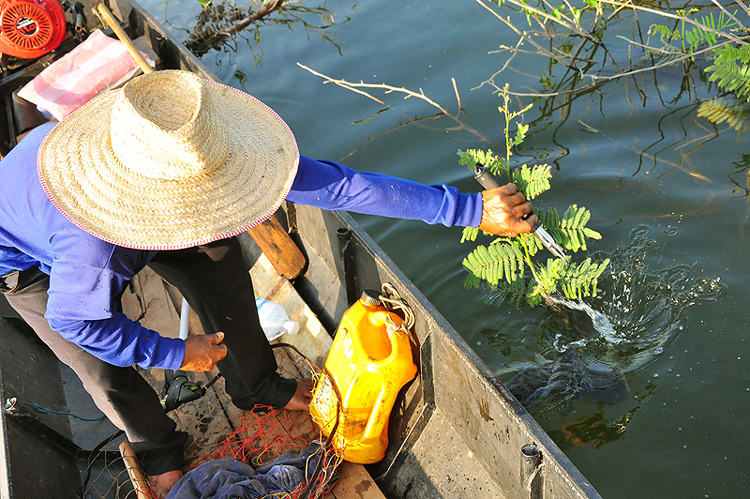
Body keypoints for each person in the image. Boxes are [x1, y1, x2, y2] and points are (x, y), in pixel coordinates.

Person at [0, 70, 536, 497]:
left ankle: (258, 386)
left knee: (218, 259)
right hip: (23, 260)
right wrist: (173, 351)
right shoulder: (89, 247)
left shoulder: (202, 148)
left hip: (109, 200)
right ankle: (159, 450)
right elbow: (74, 317)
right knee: (98, 362)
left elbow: (341, 185)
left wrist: (468, 208)